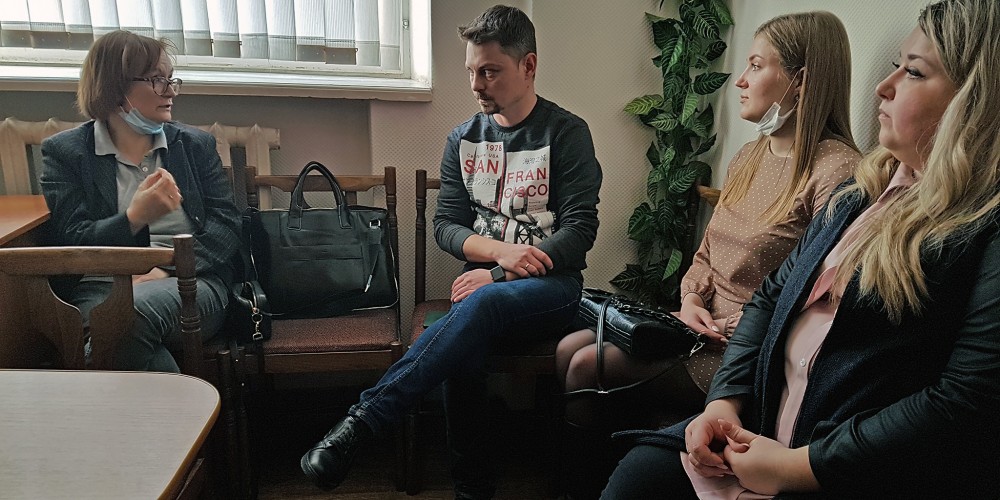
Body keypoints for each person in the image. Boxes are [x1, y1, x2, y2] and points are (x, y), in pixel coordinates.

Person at [602, 0, 1000, 498]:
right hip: (763, 422)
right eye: (895, 64)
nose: (884, 85)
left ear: (976, 100)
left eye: (914, 72)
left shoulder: (981, 226)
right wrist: (725, 403)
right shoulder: (860, 194)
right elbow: (771, 296)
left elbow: (966, 399)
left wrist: (796, 467)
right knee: (636, 476)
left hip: (836, 464)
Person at [300, 5, 602, 498]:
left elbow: (579, 231)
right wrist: (500, 254)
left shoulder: (566, 134)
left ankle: (363, 422)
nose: (476, 85)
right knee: (461, 348)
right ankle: (472, 490)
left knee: (474, 310)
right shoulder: (463, 139)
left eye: (490, 72)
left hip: (551, 289)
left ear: (528, 66)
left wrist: (500, 275)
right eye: (471, 71)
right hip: (481, 286)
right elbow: (445, 226)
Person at [554, 12, 859, 498]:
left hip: (745, 352)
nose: (740, 80)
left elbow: (813, 300)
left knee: (584, 365)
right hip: (698, 328)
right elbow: (707, 251)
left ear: (800, 80)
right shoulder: (748, 157)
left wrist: (725, 326)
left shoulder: (837, 171)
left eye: (756, 65)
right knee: (569, 346)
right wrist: (692, 299)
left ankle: (582, 488)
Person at [41, 30, 240, 372]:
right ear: (114, 87)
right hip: (102, 286)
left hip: (193, 283)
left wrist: (167, 269)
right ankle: (190, 409)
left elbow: (227, 226)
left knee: (120, 320)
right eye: (157, 80)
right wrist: (134, 217)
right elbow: (73, 239)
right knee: (124, 334)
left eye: (171, 79)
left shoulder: (194, 146)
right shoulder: (66, 153)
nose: (170, 91)